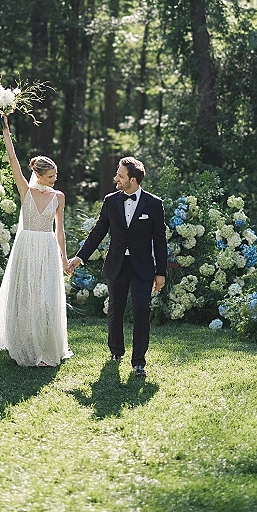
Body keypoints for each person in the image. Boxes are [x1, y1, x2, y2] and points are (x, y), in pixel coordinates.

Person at [0, 114, 72, 367]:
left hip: (46, 248)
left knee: (45, 299)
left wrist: (64, 259)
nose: (55, 179)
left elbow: (60, 231)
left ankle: (47, 348)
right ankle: (25, 344)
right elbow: (12, 159)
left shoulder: (59, 196)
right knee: (26, 297)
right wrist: (6, 130)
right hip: (26, 247)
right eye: (51, 176)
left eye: (56, 175)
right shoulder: (26, 190)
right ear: (39, 175)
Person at [68, 157, 166, 377]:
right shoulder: (111, 201)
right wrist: (79, 258)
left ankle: (139, 361)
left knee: (142, 310)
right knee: (115, 310)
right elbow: (98, 232)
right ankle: (116, 351)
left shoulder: (154, 204)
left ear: (133, 179)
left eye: (120, 176)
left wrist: (161, 272)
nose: (116, 179)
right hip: (117, 264)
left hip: (142, 266)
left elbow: (160, 240)